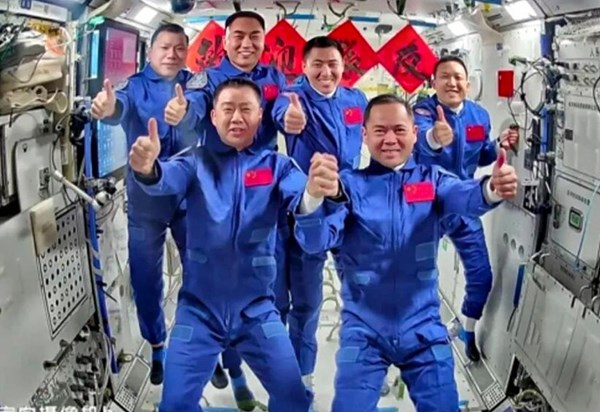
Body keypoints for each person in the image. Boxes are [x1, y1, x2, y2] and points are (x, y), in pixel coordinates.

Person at [130, 78, 343, 412]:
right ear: (214, 117)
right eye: (228, 109)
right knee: (174, 405)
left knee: (294, 399)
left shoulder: (277, 167)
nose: (237, 117)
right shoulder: (195, 162)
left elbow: (300, 196)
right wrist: (148, 169)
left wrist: (314, 193)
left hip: (257, 310)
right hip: (198, 311)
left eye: (246, 109)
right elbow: (165, 179)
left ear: (260, 116)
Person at [294, 94, 518, 412]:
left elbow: (463, 195)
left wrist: (490, 189)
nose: (390, 139)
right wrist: (312, 198)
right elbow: (314, 241)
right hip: (364, 332)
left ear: (414, 133)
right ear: (364, 135)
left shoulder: (432, 181)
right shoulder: (348, 188)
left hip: (423, 328)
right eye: (380, 130)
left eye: (399, 130)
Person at [164, 10, 283, 404]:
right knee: (209, 287)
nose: (246, 44)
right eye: (238, 36)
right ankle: (229, 369)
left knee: (254, 286)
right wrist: (185, 112)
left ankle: (239, 366)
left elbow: (284, 107)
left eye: (254, 36)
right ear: (226, 40)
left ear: (263, 40)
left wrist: (291, 117)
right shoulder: (208, 78)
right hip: (211, 192)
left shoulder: (274, 78)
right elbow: (196, 105)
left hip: (259, 194)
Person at [90, 23, 193, 385]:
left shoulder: (194, 85)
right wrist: (107, 107)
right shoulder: (134, 86)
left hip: (188, 198)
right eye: (165, 47)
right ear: (150, 51)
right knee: (146, 280)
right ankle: (157, 345)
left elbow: (206, 110)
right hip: (146, 203)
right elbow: (117, 106)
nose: (172, 54)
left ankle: (200, 341)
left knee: (201, 272)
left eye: (179, 48)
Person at [271, 36, 368, 394]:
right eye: (317, 64)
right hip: (308, 209)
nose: (326, 72)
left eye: (332, 64)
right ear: (304, 67)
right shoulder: (292, 98)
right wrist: (290, 118)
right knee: (306, 303)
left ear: (343, 67)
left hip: (349, 207)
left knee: (363, 292)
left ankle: (370, 367)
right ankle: (302, 380)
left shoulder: (356, 100)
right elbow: (283, 115)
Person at [412, 55, 519, 362]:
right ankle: (414, 340)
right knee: (417, 277)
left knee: (482, 276)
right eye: (444, 76)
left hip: (463, 205)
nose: (452, 82)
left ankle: (468, 330)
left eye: (458, 77)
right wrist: (435, 137)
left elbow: (482, 154)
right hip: (426, 205)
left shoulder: (478, 115)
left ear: (468, 84)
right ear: (434, 83)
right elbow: (421, 143)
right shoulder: (422, 112)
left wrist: (499, 144)